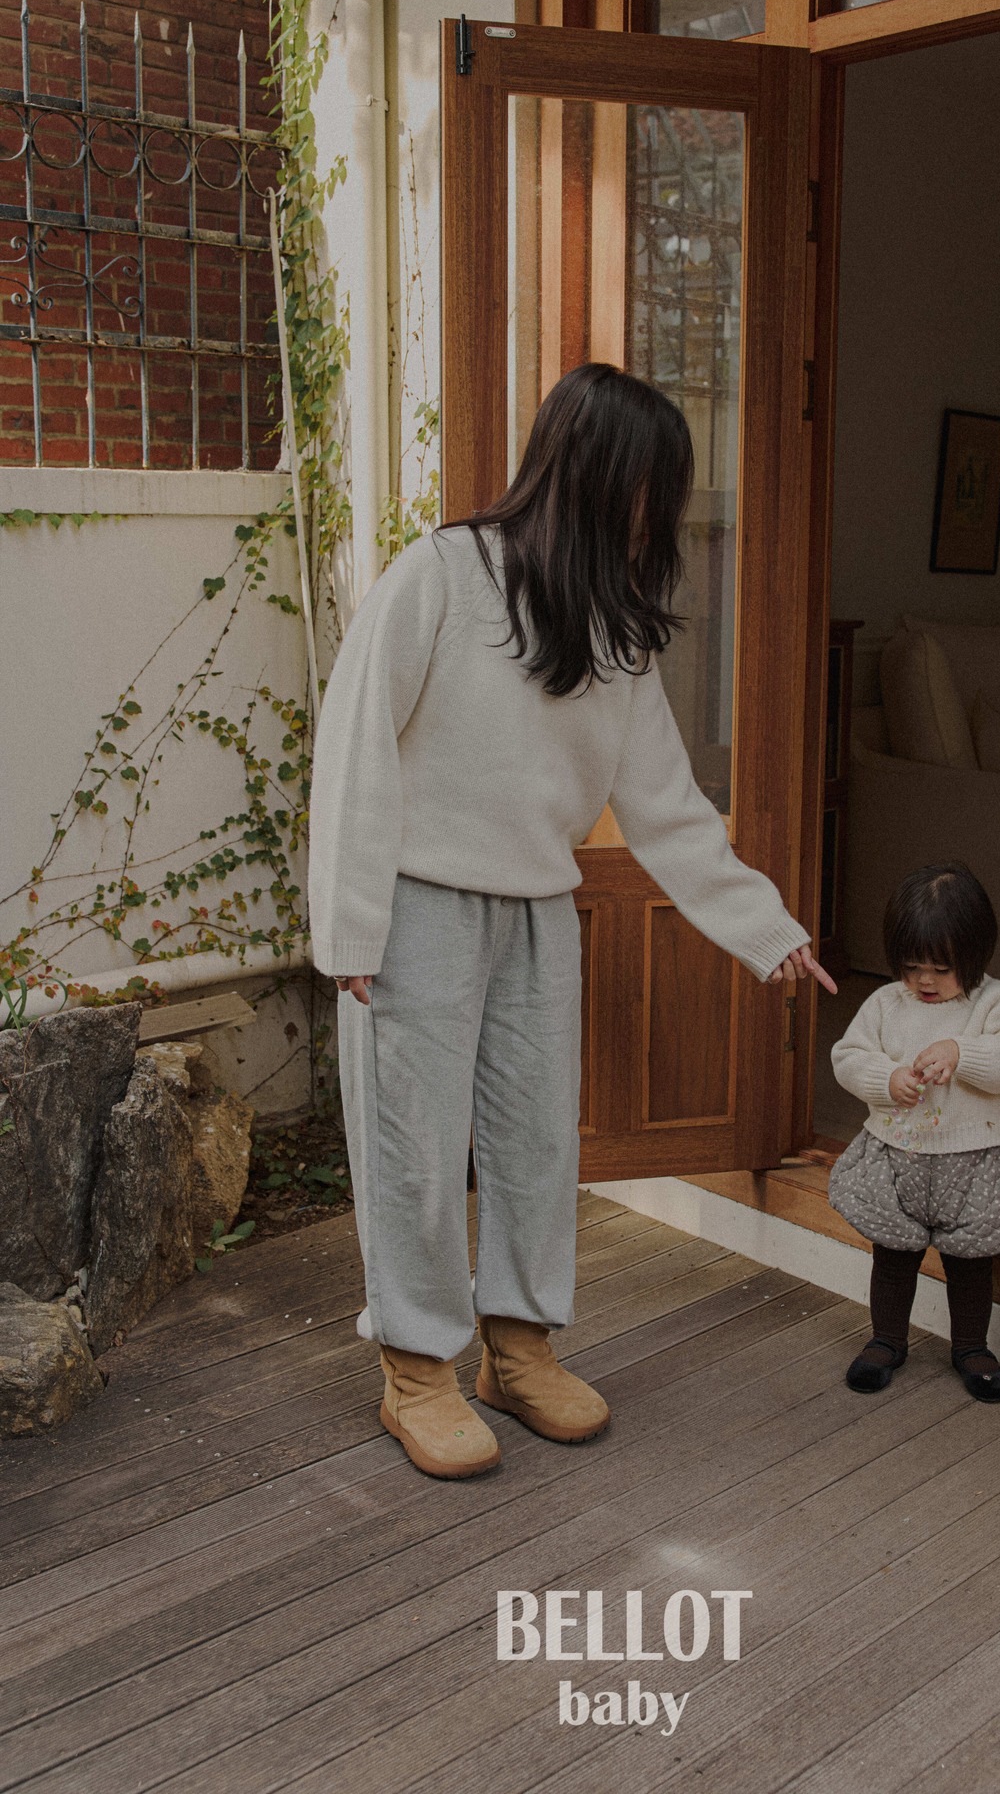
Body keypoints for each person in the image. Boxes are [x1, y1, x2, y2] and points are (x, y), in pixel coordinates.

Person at [308, 362, 836, 1481]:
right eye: (650, 485)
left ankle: (519, 1348)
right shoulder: (440, 575)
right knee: (412, 1145)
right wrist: (349, 928)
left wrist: (765, 928)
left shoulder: (616, 632)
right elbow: (355, 749)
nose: (660, 512)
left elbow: (667, 807)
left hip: (542, 914)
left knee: (537, 1141)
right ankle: (417, 1368)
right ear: (592, 470)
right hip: (417, 908)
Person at [827, 862, 1000, 1403]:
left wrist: (961, 1052)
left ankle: (972, 1348)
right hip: (896, 1157)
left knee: (971, 1263)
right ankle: (886, 1340)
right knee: (892, 1257)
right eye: (912, 967)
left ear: (976, 955)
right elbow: (848, 1057)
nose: (925, 981)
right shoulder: (885, 1004)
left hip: (975, 1163)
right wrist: (886, 1079)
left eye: (941, 969)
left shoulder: (995, 1004)